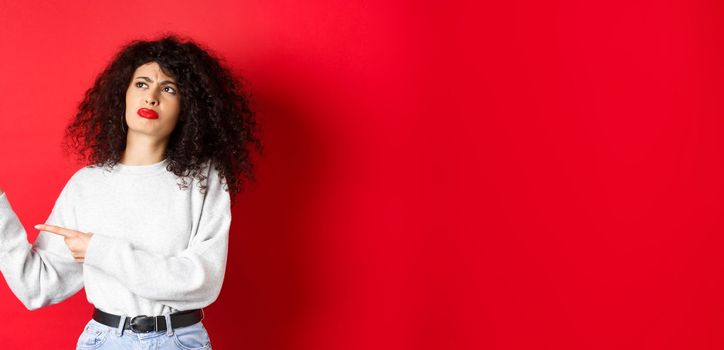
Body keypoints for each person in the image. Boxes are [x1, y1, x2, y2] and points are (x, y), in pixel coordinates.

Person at [0, 34, 262, 349]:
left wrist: (99, 251)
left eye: (168, 89)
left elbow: (201, 282)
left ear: (187, 107)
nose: (151, 97)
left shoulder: (203, 180)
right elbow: (37, 287)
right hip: (104, 340)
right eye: (141, 84)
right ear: (122, 94)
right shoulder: (87, 185)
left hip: (179, 340)